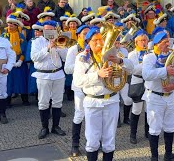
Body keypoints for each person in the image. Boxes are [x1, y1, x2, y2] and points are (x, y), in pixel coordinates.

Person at [73, 28, 133, 161]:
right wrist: (97, 75)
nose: (99, 43)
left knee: (109, 139)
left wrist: (119, 61)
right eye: (95, 40)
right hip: (93, 101)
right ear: (88, 42)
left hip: (111, 101)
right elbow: (77, 81)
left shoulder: (112, 55)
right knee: (92, 139)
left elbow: (131, 68)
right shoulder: (82, 58)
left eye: (101, 40)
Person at [143, 31, 174, 161]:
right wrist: (164, 71)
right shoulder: (150, 57)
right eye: (165, 42)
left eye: (168, 42)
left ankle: (168, 154)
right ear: (157, 44)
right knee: (155, 128)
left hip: (171, 95)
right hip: (155, 96)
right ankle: (154, 157)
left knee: (170, 126)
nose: (168, 44)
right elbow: (146, 74)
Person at [31, 20, 68, 139]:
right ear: (43, 31)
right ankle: (44, 127)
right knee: (43, 102)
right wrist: (48, 47)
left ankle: (56, 126)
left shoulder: (60, 41)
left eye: (51, 29)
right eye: (46, 29)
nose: (48, 32)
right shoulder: (37, 41)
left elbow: (66, 57)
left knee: (57, 101)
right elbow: (34, 58)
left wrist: (59, 46)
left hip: (58, 74)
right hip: (43, 75)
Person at [64, 25, 90, 157]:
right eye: (84, 34)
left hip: (93, 85)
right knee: (79, 114)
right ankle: (75, 145)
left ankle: (95, 142)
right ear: (78, 35)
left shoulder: (95, 47)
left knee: (94, 114)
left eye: (88, 34)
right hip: (79, 86)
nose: (87, 36)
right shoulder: (73, 49)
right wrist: (81, 62)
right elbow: (67, 69)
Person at [2, 14, 29, 107]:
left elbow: (24, 49)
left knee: (22, 81)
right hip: (8, 63)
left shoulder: (21, 36)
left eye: (12, 25)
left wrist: (20, 61)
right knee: (8, 82)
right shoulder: (3, 36)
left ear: (16, 26)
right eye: (8, 24)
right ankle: (7, 101)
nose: (10, 26)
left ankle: (25, 100)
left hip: (19, 62)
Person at [128, 29, 150, 144]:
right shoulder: (132, 54)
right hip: (137, 81)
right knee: (136, 109)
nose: (144, 42)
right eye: (141, 40)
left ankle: (148, 132)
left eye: (145, 40)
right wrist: (146, 65)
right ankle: (133, 134)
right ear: (136, 42)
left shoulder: (150, 52)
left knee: (148, 109)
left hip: (149, 82)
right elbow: (133, 69)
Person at [0, 32, 16, 124]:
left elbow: (12, 56)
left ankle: (2, 114)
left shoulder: (4, 41)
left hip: (1, 72)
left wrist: (8, 68)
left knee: (1, 93)